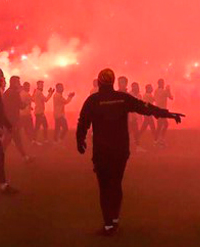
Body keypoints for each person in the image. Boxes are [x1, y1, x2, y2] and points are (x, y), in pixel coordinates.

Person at [77, 68, 183, 234]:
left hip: (102, 151)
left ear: (98, 82)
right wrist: (167, 114)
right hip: (120, 150)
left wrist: (80, 140)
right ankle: (116, 219)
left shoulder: (93, 100)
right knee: (117, 184)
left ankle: (109, 224)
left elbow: (83, 122)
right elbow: (145, 108)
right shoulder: (122, 98)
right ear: (113, 82)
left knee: (104, 187)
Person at [2, 75, 33, 161]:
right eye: (18, 82)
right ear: (14, 83)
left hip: (8, 118)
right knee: (7, 139)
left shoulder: (7, 92)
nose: (20, 84)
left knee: (17, 139)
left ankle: (25, 157)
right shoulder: (14, 93)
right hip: (12, 119)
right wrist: (27, 102)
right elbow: (21, 106)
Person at [154, 78, 174, 147]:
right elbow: (171, 97)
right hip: (161, 110)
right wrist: (168, 90)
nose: (163, 84)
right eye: (162, 83)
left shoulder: (156, 91)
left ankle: (160, 139)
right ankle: (157, 141)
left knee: (164, 125)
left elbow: (155, 99)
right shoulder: (164, 91)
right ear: (161, 84)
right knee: (161, 126)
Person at [129, 82, 145, 152]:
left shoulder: (139, 95)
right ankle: (137, 146)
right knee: (134, 132)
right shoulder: (130, 95)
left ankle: (137, 146)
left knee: (134, 132)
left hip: (135, 117)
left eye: (137, 86)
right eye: (134, 86)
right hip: (130, 117)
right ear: (132, 87)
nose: (136, 88)